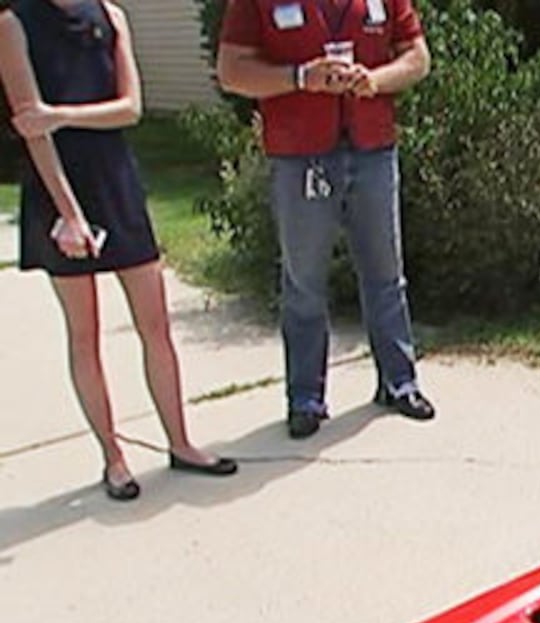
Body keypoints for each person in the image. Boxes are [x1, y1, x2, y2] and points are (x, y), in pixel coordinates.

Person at [0, 0, 239, 502]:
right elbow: (31, 130)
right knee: (84, 333)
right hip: (56, 190)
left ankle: (181, 442)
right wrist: (68, 213)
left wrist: (58, 115)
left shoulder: (111, 15)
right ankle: (113, 457)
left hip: (115, 179)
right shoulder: (14, 24)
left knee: (156, 324)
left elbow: (130, 107)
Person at [214, 0, 435, 439]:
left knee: (385, 273)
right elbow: (232, 70)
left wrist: (375, 80)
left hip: (372, 148)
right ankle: (306, 399)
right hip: (300, 156)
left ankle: (399, 382)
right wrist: (300, 77)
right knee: (303, 282)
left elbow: (417, 57)